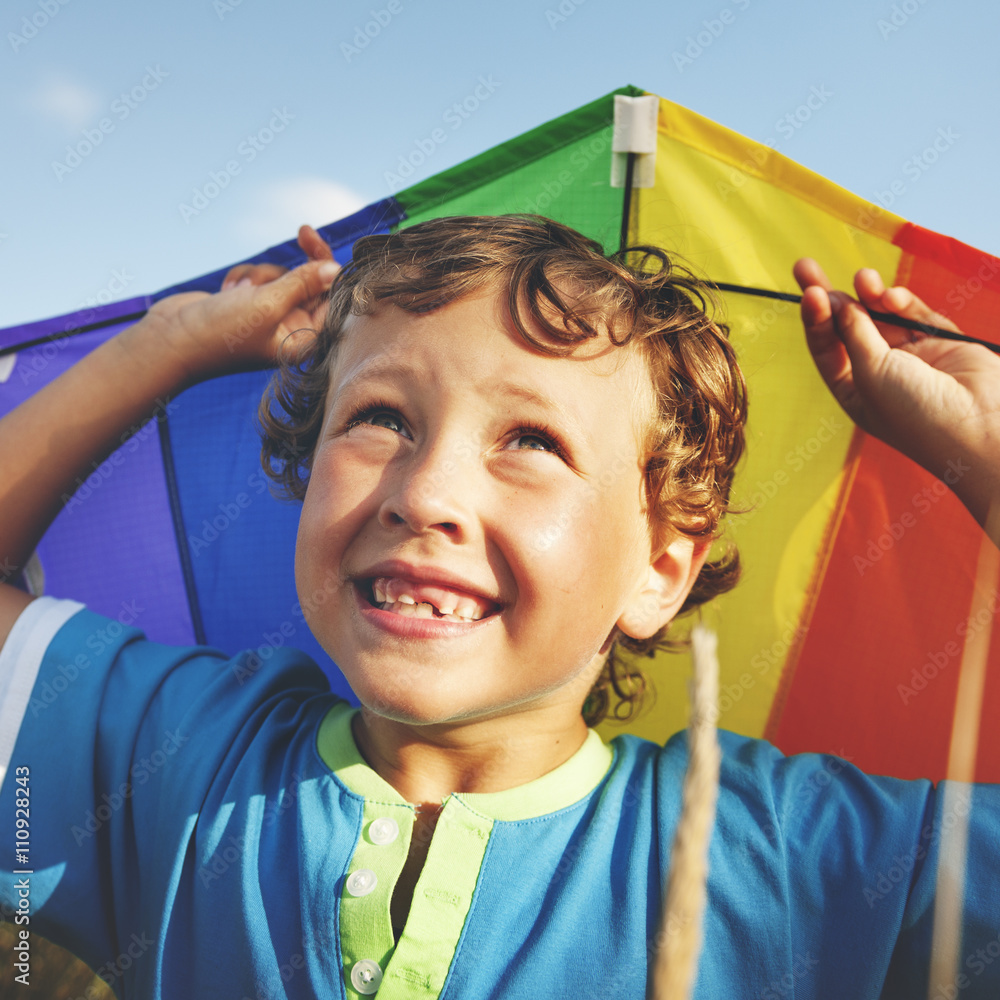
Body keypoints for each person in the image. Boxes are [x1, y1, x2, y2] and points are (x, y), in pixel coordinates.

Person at [0, 215, 997, 999]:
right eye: (380, 416)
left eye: (530, 440)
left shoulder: (787, 854)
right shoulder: (179, 755)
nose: (425, 493)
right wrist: (164, 349)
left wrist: (984, 451)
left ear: (658, 570)